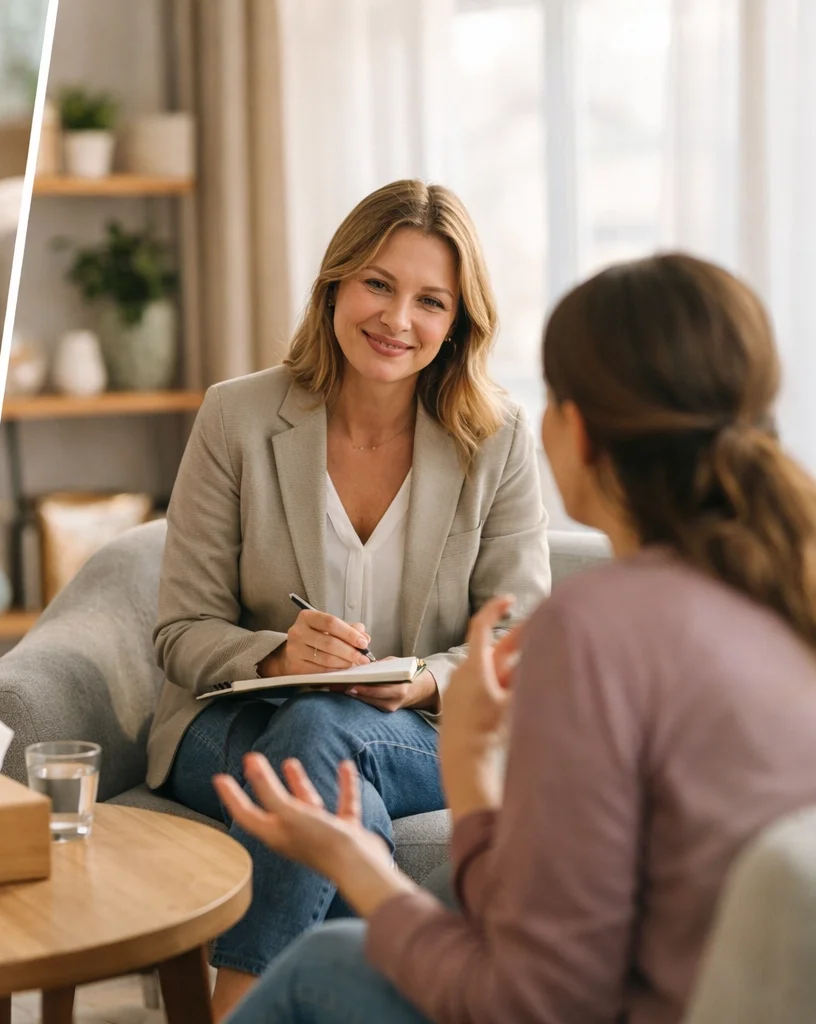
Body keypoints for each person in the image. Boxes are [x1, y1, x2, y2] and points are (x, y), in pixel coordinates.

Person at [219, 252, 816, 1023]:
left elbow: (530, 1001)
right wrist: (466, 777)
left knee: (328, 962)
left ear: (579, 432)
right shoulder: (785, 594)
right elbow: (571, 921)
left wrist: (363, 865)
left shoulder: (597, 628)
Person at [151, 179, 550, 1015]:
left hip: (419, 728)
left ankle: (237, 1010)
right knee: (316, 733)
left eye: (430, 300)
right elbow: (179, 630)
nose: (397, 319)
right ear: (335, 283)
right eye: (377, 284)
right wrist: (273, 653)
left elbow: (518, 631)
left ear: (458, 322)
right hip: (231, 725)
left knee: (326, 729)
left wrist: (428, 680)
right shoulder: (237, 416)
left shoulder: (499, 436)